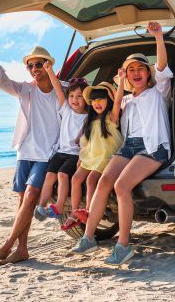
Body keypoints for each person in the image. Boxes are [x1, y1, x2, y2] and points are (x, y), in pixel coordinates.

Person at [72, 21, 173, 266]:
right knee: (104, 181)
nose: (136, 72)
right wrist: (118, 86)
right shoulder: (127, 100)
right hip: (129, 147)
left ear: (148, 73)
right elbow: (113, 111)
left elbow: (161, 65)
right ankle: (88, 237)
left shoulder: (159, 91)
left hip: (153, 147)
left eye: (141, 68)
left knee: (121, 185)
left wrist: (159, 36)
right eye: (131, 70)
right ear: (126, 75)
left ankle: (124, 245)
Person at [0, 39, 61, 265]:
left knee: (29, 198)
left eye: (40, 64)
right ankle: (22, 249)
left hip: (48, 154)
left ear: (49, 65)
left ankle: (7, 245)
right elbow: (1, 80)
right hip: (25, 151)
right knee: (22, 202)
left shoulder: (62, 88)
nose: (35, 69)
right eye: (31, 66)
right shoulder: (26, 90)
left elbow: (81, 102)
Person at [61, 77, 124, 231]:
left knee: (91, 180)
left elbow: (118, 101)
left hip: (106, 158)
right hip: (90, 157)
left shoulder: (111, 118)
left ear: (108, 100)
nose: (97, 103)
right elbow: (86, 142)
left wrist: (121, 81)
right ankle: (75, 212)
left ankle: (88, 211)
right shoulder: (90, 120)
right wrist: (81, 158)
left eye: (101, 99)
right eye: (94, 100)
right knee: (75, 178)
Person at [33, 61, 88, 221]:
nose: (74, 100)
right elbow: (57, 88)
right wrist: (49, 71)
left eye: (79, 96)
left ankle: (58, 206)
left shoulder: (88, 117)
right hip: (61, 152)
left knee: (63, 176)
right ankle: (42, 206)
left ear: (86, 99)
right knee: (50, 176)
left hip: (74, 155)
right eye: (71, 96)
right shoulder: (66, 109)